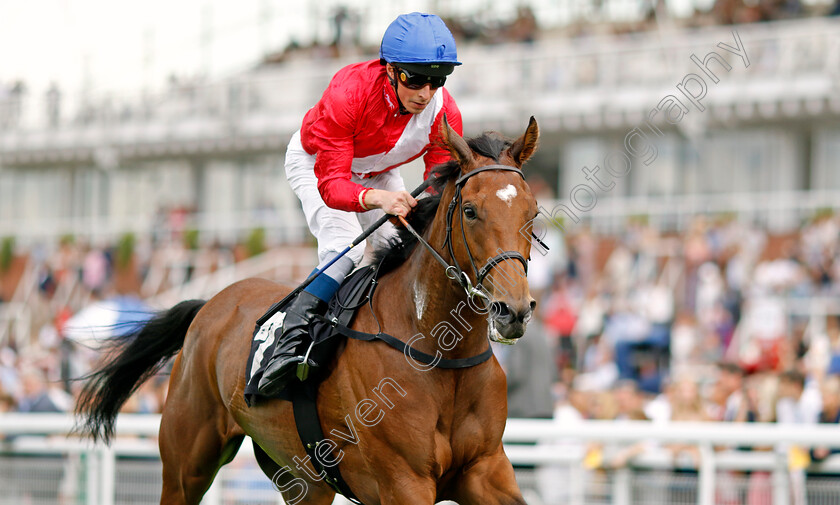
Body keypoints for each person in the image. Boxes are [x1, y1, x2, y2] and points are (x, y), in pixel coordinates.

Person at [257, 12, 463, 395]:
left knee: (414, 244)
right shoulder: (348, 92)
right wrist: (380, 199)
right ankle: (289, 341)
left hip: (377, 169)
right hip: (319, 164)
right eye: (415, 79)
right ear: (389, 70)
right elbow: (334, 187)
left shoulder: (444, 113)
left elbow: (439, 183)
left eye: (437, 81)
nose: (425, 93)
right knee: (345, 251)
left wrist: (418, 216)